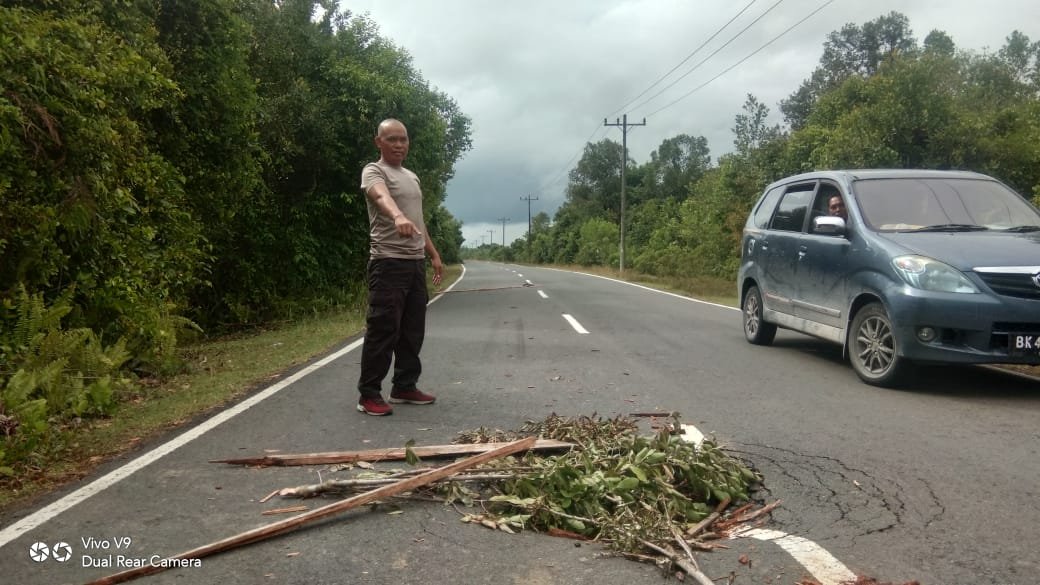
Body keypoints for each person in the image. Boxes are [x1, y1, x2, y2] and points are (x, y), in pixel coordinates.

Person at [356, 118, 443, 416]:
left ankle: (404, 386)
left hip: (415, 264)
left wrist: (433, 254)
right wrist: (396, 216)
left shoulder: (412, 176)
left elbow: (417, 220)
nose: (398, 144)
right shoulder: (374, 170)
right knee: (383, 329)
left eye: (403, 139)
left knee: (412, 331)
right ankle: (368, 394)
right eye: (391, 139)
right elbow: (381, 196)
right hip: (388, 262)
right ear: (378, 142)